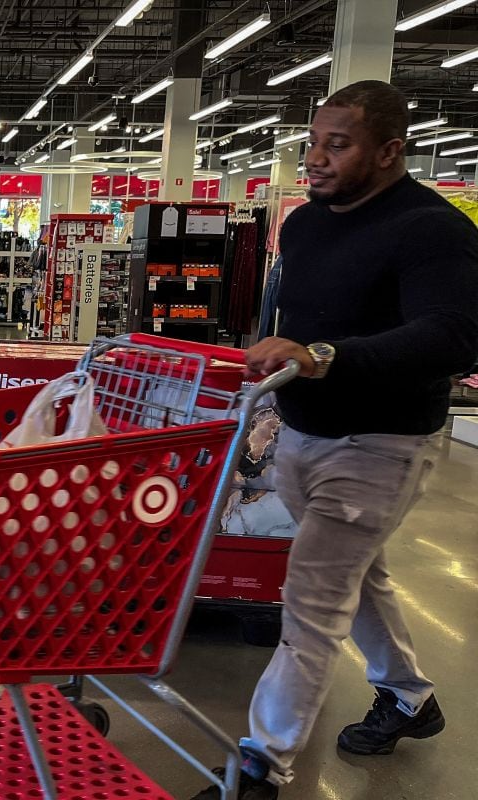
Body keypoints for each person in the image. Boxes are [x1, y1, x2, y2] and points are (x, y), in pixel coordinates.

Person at [192, 80, 478, 799]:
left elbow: (454, 336)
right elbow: (299, 316)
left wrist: (324, 356)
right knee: (358, 573)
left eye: (338, 145)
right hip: (301, 431)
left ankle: (260, 766)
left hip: (380, 444)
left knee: (312, 600)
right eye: (314, 142)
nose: (316, 158)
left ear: (388, 151)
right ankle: (409, 697)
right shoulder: (305, 224)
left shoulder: (431, 230)